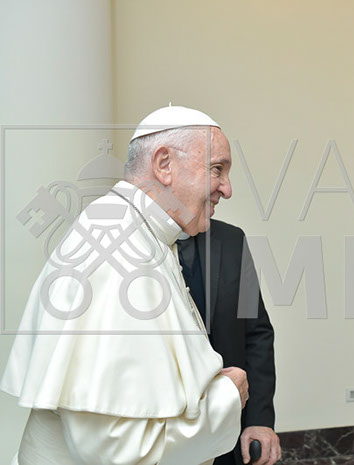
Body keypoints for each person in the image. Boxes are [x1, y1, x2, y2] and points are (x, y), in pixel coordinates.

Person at [1, 105, 249, 464]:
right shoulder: (116, 248)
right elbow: (116, 448)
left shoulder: (137, 232)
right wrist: (225, 399)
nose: (227, 188)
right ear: (164, 164)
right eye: (217, 169)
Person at [178, 220, 281, 465]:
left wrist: (259, 420)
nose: (224, 197)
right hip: (167, 435)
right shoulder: (136, 241)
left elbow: (256, 333)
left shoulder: (231, 239)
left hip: (230, 430)